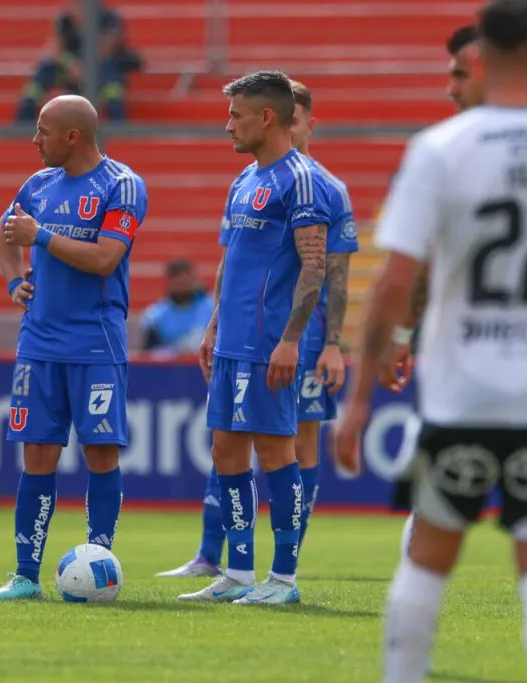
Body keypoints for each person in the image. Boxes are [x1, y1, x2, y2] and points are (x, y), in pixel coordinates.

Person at [333, 2, 527, 681]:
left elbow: (392, 282)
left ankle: (403, 673)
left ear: (480, 59)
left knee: (429, 555)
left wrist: (358, 398)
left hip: (462, 390)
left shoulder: (442, 152)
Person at [156, 79, 358, 579]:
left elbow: (316, 270)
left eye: (236, 115)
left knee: (275, 452)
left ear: (266, 117)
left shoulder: (304, 180)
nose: (228, 124)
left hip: (269, 343)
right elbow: (232, 264)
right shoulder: (244, 179)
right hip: (230, 341)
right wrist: (213, 326)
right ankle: (237, 573)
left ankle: (283, 577)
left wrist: (294, 340)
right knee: (225, 448)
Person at [0, 94, 147, 601]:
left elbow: (104, 258)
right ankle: (26, 576)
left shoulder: (122, 185)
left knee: (100, 454)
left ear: (72, 136)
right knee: (37, 455)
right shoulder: (38, 186)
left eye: (43, 131)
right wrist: (15, 280)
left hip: (95, 344)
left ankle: (100, 562)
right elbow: (3, 230)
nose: (35, 141)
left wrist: (41, 237)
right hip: (39, 344)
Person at [15, 0, 143, 123]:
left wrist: (85, 69)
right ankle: (22, 125)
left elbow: (104, 50)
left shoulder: (110, 18)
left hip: (101, 70)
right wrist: (70, 64)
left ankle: (118, 127)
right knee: (45, 69)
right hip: (73, 71)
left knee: (111, 79)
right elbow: (54, 49)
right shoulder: (65, 19)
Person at [138, 258, 215, 356]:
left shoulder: (212, 307)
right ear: (169, 281)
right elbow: (149, 355)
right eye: (177, 279)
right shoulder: (154, 317)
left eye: (185, 279)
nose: (182, 284)